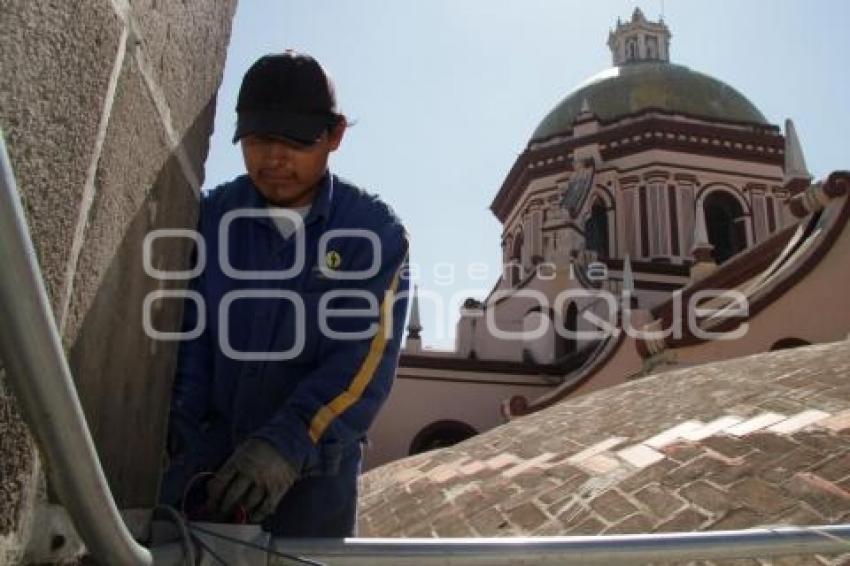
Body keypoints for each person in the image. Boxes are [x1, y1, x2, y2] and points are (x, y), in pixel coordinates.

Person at [160, 50, 410, 537]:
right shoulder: (210, 219)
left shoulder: (374, 233)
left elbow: (361, 364)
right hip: (201, 483)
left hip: (313, 492)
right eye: (256, 141)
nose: (273, 159)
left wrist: (289, 442)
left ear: (335, 136)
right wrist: (183, 441)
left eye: (294, 142)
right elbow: (188, 344)